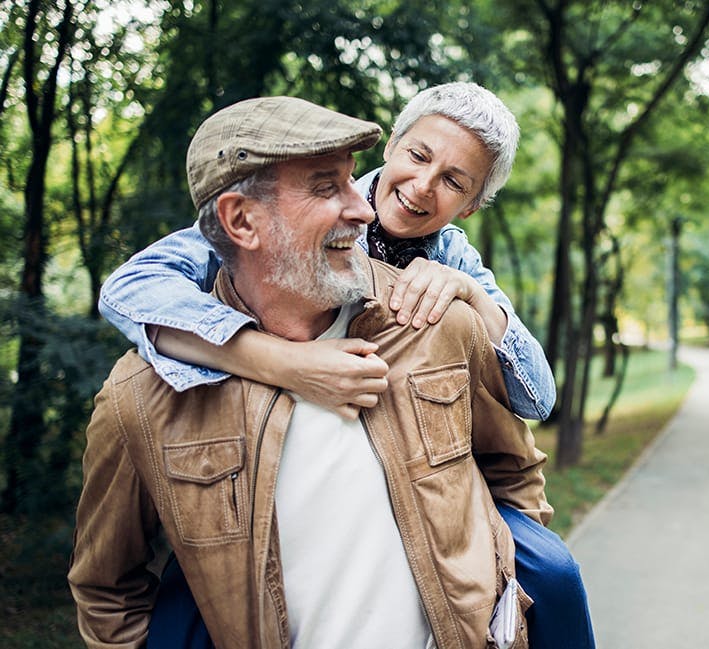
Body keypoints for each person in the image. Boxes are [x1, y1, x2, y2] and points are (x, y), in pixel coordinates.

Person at [97, 84, 594, 648]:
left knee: (554, 575)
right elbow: (132, 287)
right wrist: (284, 362)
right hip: (254, 544)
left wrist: (477, 301)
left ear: (473, 203)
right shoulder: (285, 209)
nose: (423, 187)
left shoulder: (451, 268)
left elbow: (532, 406)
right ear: (395, 145)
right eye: (419, 156)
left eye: (455, 182)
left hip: (433, 500)